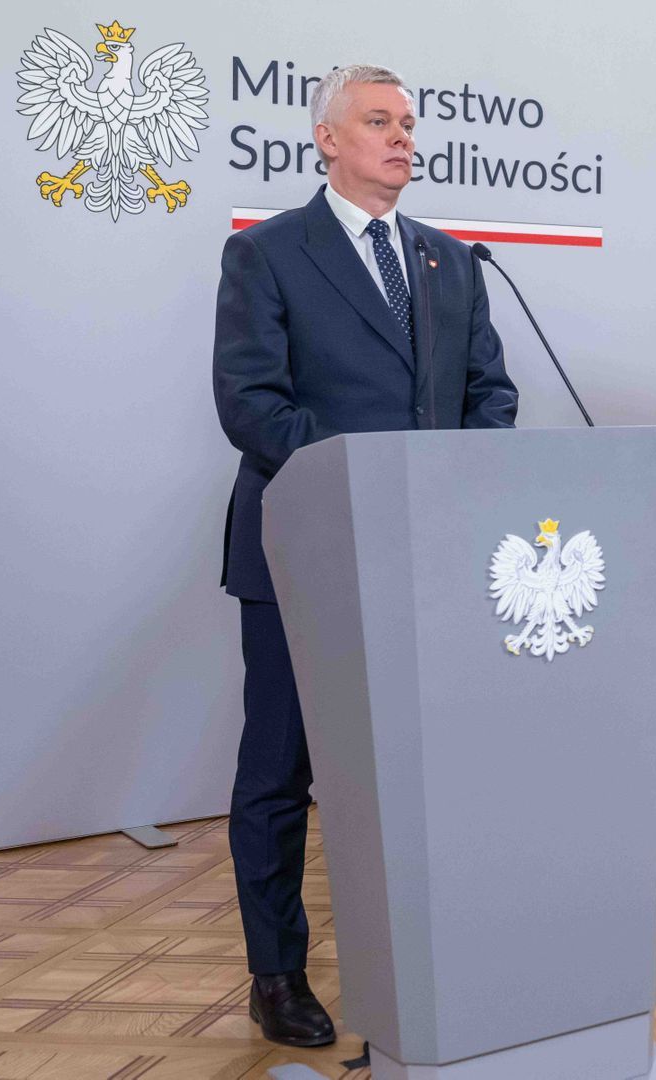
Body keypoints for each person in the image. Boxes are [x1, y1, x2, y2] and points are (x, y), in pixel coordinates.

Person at [212, 63, 517, 1045]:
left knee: (415, 770)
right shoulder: (267, 254)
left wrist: (455, 481)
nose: (402, 139)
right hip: (303, 553)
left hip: (425, 558)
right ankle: (276, 976)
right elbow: (250, 403)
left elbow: (490, 394)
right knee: (279, 770)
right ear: (328, 140)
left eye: (409, 124)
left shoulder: (449, 260)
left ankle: (426, 954)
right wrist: (373, 477)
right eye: (379, 122)